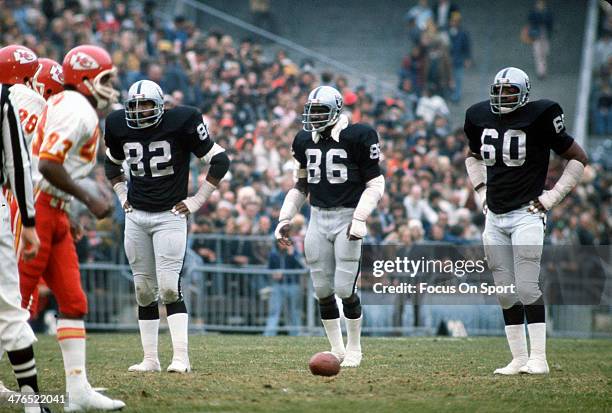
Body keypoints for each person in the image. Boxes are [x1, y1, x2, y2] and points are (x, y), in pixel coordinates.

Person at [17, 44, 125, 411]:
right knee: (15, 306)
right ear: (84, 78)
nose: (111, 86)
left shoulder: (72, 105)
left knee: (74, 302)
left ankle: (77, 394)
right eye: (105, 78)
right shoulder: (77, 109)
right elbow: (48, 164)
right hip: (37, 210)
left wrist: (70, 209)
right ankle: (32, 402)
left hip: (55, 211)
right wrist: (89, 198)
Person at [464, 67, 588, 375]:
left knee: (527, 285)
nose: (503, 96)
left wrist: (550, 198)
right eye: (500, 90)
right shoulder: (478, 116)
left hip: (527, 214)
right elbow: (472, 157)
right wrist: (481, 191)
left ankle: (539, 359)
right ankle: (519, 358)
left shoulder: (542, 114)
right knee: (505, 290)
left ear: (524, 93)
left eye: (510, 91)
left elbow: (578, 158)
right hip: (494, 215)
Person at [104, 80, 230, 373]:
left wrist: (197, 200)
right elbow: (111, 164)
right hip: (136, 216)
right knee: (143, 290)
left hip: (169, 215)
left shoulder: (182, 120)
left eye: (146, 104)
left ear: (160, 105)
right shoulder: (117, 123)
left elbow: (220, 160)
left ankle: (181, 358)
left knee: (169, 288)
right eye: (134, 105)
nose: (139, 111)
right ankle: (150, 359)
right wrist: (122, 196)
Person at [274, 86, 385, 367]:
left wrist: (359, 218)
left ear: (336, 110)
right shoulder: (302, 140)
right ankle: (336, 350)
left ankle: (355, 348)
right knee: (322, 289)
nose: (314, 117)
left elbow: (376, 184)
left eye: (321, 111)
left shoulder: (359, 135)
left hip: (347, 215)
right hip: (317, 216)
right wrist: (284, 218)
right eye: (311, 111)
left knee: (345, 288)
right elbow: (301, 186)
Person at [0, 52, 51, 413]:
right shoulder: (10, 98)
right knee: (8, 303)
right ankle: (33, 401)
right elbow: (18, 162)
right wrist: (30, 223)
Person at [263, 242, 304, 337]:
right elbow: (269, 269)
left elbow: (302, 267)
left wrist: (292, 255)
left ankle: (296, 334)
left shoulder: (295, 253)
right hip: (278, 285)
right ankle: (269, 334)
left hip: (293, 285)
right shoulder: (273, 254)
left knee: (294, 311)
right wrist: (274, 274)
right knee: (274, 310)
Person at [527, 0, 553, 79]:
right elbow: (531, 22)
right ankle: (541, 72)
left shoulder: (547, 13)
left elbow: (550, 23)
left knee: (545, 53)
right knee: (539, 54)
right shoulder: (534, 13)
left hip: (544, 34)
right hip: (537, 35)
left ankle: (543, 71)